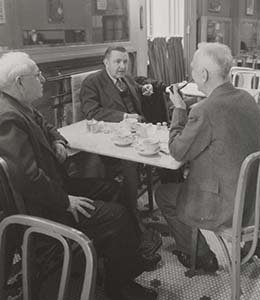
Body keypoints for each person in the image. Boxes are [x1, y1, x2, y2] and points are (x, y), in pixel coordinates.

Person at [0, 52, 160, 300]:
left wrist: (57, 140)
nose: (42, 79)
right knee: (116, 217)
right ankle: (120, 287)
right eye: (37, 75)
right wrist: (66, 201)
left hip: (55, 187)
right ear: (20, 82)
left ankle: (121, 260)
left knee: (114, 190)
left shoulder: (21, 106)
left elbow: (47, 126)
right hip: (44, 206)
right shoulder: (7, 117)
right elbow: (28, 178)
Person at [155, 42, 260, 272]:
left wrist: (178, 109)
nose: (192, 73)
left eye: (193, 68)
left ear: (204, 74)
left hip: (228, 205)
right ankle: (250, 243)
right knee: (186, 184)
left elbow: (178, 151)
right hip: (255, 196)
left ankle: (199, 255)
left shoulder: (204, 110)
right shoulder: (247, 99)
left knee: (164, 194)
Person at [79, 46, 154, 212]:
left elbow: (135, 88)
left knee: (161, 150)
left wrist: (144, 89)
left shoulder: (125, 78)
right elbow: (92, 112)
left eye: (125, 62)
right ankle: (130, 211)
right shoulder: (92, 82)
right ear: (106, 62)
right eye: (117, 61)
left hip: (137, 130)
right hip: (113, 139)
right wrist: (125, 117)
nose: (122, 66)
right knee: (130, 164)